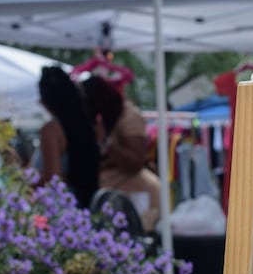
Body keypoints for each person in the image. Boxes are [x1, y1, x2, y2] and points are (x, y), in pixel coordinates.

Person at [79, 74, 161, 232]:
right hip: (117, 193)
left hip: (137, 192)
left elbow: (136, 161)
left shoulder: (128, 117)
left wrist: (107, 144)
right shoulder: (106, 118)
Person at [37, 66, 100, 210]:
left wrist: (26, 182)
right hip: (84, 204)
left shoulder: (51, 130)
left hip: (60, 210)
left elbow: (53, 179)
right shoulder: (85, 125)